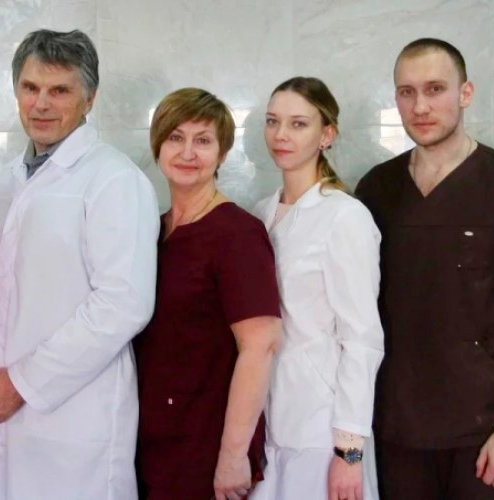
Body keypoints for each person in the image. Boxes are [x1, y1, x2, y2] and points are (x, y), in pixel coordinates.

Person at [0, 29, 159, 500]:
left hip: (74, 420)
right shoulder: (9, 179)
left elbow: (123, 304)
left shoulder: (114, 180)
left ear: (89, 98)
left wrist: (21, 383)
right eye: (30, 88)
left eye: (59, 90)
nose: (41, 104)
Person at [356, 38, 494, 499]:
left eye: (435, 89)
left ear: (466, 93)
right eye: (407, 92)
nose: (420, 106)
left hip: (483, 433)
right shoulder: (377, 189)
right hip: (397, 427)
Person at [135, 87, 282, 500]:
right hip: (150, 440)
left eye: (202, 140)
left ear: (222, 153)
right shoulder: (150, 230)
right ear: (158, 145)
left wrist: (233, 456)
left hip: (206, 445)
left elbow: (260, 346)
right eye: (175, 137)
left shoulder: (237, 234)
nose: (187, 152)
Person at [250, 76, 384, 500]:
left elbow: (362, 339)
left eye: (298, 124)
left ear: (327, 135)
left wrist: (349, 451)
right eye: (272, 121)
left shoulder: (345, 217)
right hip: (267, 419)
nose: (281, 135)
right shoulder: (260, 213)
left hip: (323, 430)